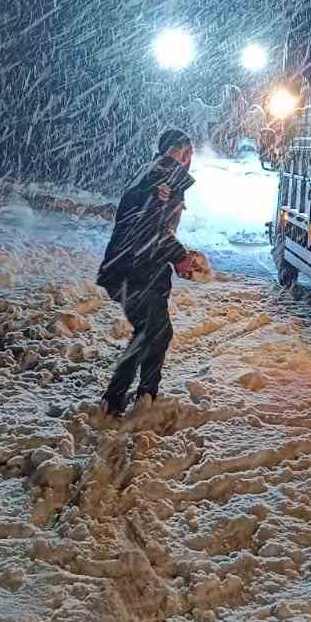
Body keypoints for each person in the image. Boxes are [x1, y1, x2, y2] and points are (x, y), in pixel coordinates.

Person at [96, 129, 206, 415]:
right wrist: (179, 256)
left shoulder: (154, 173)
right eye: (187, 153)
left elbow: (155, 228)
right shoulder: (162, 175)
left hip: (137, 267)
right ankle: (120, 398)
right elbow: (150, 229)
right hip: (134, 269)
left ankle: (142, 394)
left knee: (154, 331)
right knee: (152, 331)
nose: (189, 159)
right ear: (180, 152)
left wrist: (176, 256)